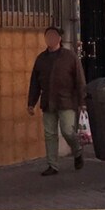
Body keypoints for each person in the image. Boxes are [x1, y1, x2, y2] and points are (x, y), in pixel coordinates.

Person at [27, 24, 87, 175]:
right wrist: (31, 103)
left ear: (59, 39)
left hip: (66, 101)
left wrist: (82, 102)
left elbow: (80, 80)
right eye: (48, 37)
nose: (50, 39)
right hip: (48, 101)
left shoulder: (70, 56)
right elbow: (34, 82)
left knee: (68, 131)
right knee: (50, 134)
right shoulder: (41, 59)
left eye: (53, 36)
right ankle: (52, 165)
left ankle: (77, 150)